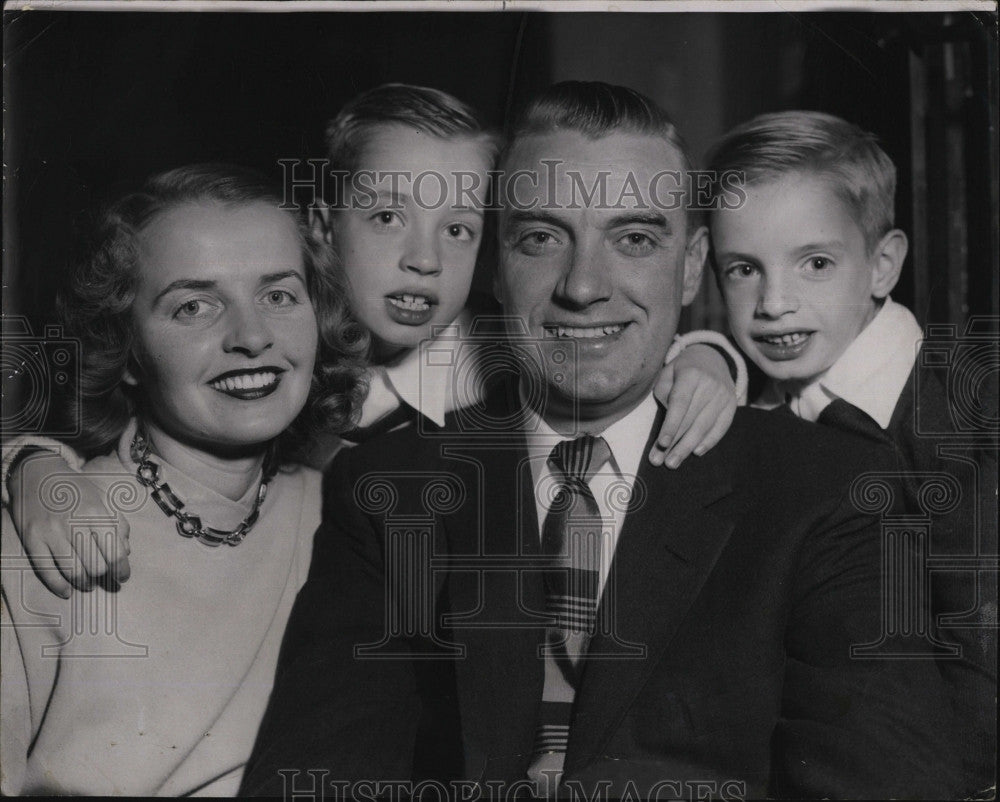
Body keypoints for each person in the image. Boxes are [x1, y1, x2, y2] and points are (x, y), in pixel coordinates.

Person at [240, 82, 961, 799]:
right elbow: (315, 774)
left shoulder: (828, 487)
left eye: (635, 239)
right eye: (542, 237)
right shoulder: (388, 487)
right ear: (497, 262)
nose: (583, 286)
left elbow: (887, 782)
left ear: (688, 266)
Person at [4, 84, 742, 597]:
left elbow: (608, 359)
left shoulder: (497, 353)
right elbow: (115, 430)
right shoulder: (271, 359)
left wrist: (707, 357)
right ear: (322, 230)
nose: (424, 258)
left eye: (458, 229)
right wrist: (32, 467)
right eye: (387, 218)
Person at [0, 164, 367, 796]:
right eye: (194, 306)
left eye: (279, 295)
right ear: (126, 347)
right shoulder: (44, 540)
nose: (252, 337)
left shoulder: (346, 511)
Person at [704, 110, 998, 796]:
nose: (774, 302)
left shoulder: (968, 415)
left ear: (882, 264)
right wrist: (705, 357)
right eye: (743, 269)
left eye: (815, 263)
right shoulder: (758, 423)